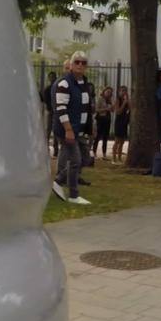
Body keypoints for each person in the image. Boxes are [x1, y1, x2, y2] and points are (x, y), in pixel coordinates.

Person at [52, 51, 91, 205]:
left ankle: (58, 180)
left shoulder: (84, 83)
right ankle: (74, 195)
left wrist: (88, 127)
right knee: (75, 160)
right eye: (77, 62)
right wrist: (68, 129)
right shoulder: (64, 83)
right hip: (67, 129)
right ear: (71, 64)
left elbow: (85, 107)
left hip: (79, 129)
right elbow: (61, 108)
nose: (80, 65)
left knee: (85, 159)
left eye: (83, 62)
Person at [92, 86, 113, 161]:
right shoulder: (100, 99)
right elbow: (97, 109)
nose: (109, 94)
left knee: (105, 137)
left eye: (110, 93)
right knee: (98, 136)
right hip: (101, 118)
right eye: (107, 92)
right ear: (104, 92)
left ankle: (104, 153)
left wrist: (111, 108)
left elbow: (112, 110)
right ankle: (94, 152)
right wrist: (105, 109)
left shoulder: (109, 100)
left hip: (107, 119)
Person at [111, 85, 130, 164]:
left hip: (124, 121)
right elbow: (118, 111)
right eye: (122, 91)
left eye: (124, 91)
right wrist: (123, 104)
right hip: (119, 121)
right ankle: (114, 158)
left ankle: (119, 158)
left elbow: (130, 108)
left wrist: (127, 101)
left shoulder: (126, 100)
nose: (123, 93)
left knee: (122, 141)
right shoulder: (117, 100)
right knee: (117, 141)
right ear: (119, 92)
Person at [41, 71, 58, 156]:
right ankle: (45, 149)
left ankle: (56, 150)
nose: (52, 79)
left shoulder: (58, 88)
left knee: (55, 131)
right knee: (48, 130)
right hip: (51, 112)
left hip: (56, 112)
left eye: (53, 77)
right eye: (50, 77)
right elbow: (45, 100)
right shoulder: (47, 89)